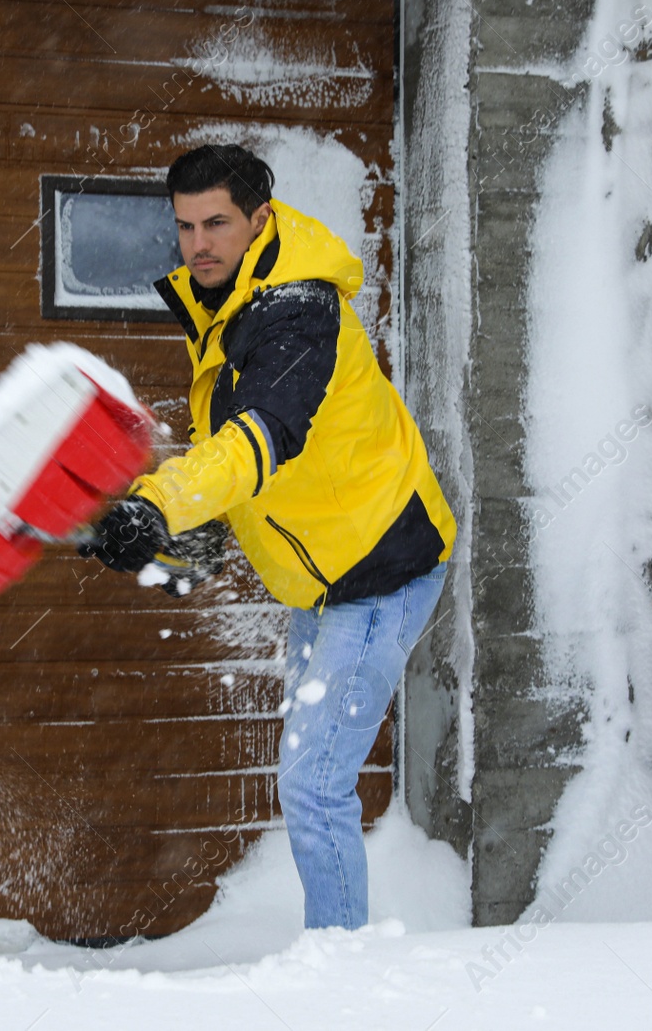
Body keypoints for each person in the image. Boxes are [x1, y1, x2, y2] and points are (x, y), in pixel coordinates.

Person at [78, 144, 460, 931]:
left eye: (216, 222)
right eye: (185, 226)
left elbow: (264, 433)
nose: (198, 244)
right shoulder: (229, 298)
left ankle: (343, 979)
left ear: (259, 218)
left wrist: (158, 506)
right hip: (320, 582)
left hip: (382, 568)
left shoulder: (297, 307)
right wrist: (205, 531)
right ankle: (337, 953)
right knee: (312, 777)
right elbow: (242, 446)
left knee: (315, 784)